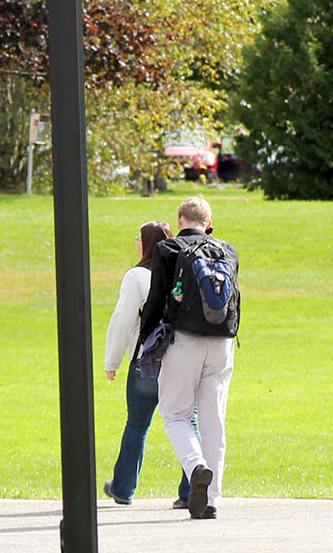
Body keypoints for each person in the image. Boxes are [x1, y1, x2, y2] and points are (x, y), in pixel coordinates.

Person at [141, 195, 240, 520]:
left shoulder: (168, 250)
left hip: (184, 340)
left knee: (175, 414)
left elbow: (156, 300)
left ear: (179, 220)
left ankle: (195, 466)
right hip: (222, 343)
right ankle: (212, 500)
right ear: (209, 224)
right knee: (214, 421)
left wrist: (147, 342)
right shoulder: (227, 251)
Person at [100, 220, 191, 509]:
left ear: (146, 243)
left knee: (137, 425)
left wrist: (111, 361)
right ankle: (191, 489)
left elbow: (123, 321)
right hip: (182, 359)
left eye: (138, 239)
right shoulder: (183, 272)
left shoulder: (137, 276)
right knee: (189, 423)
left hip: (146, 360)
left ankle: (124, 487)